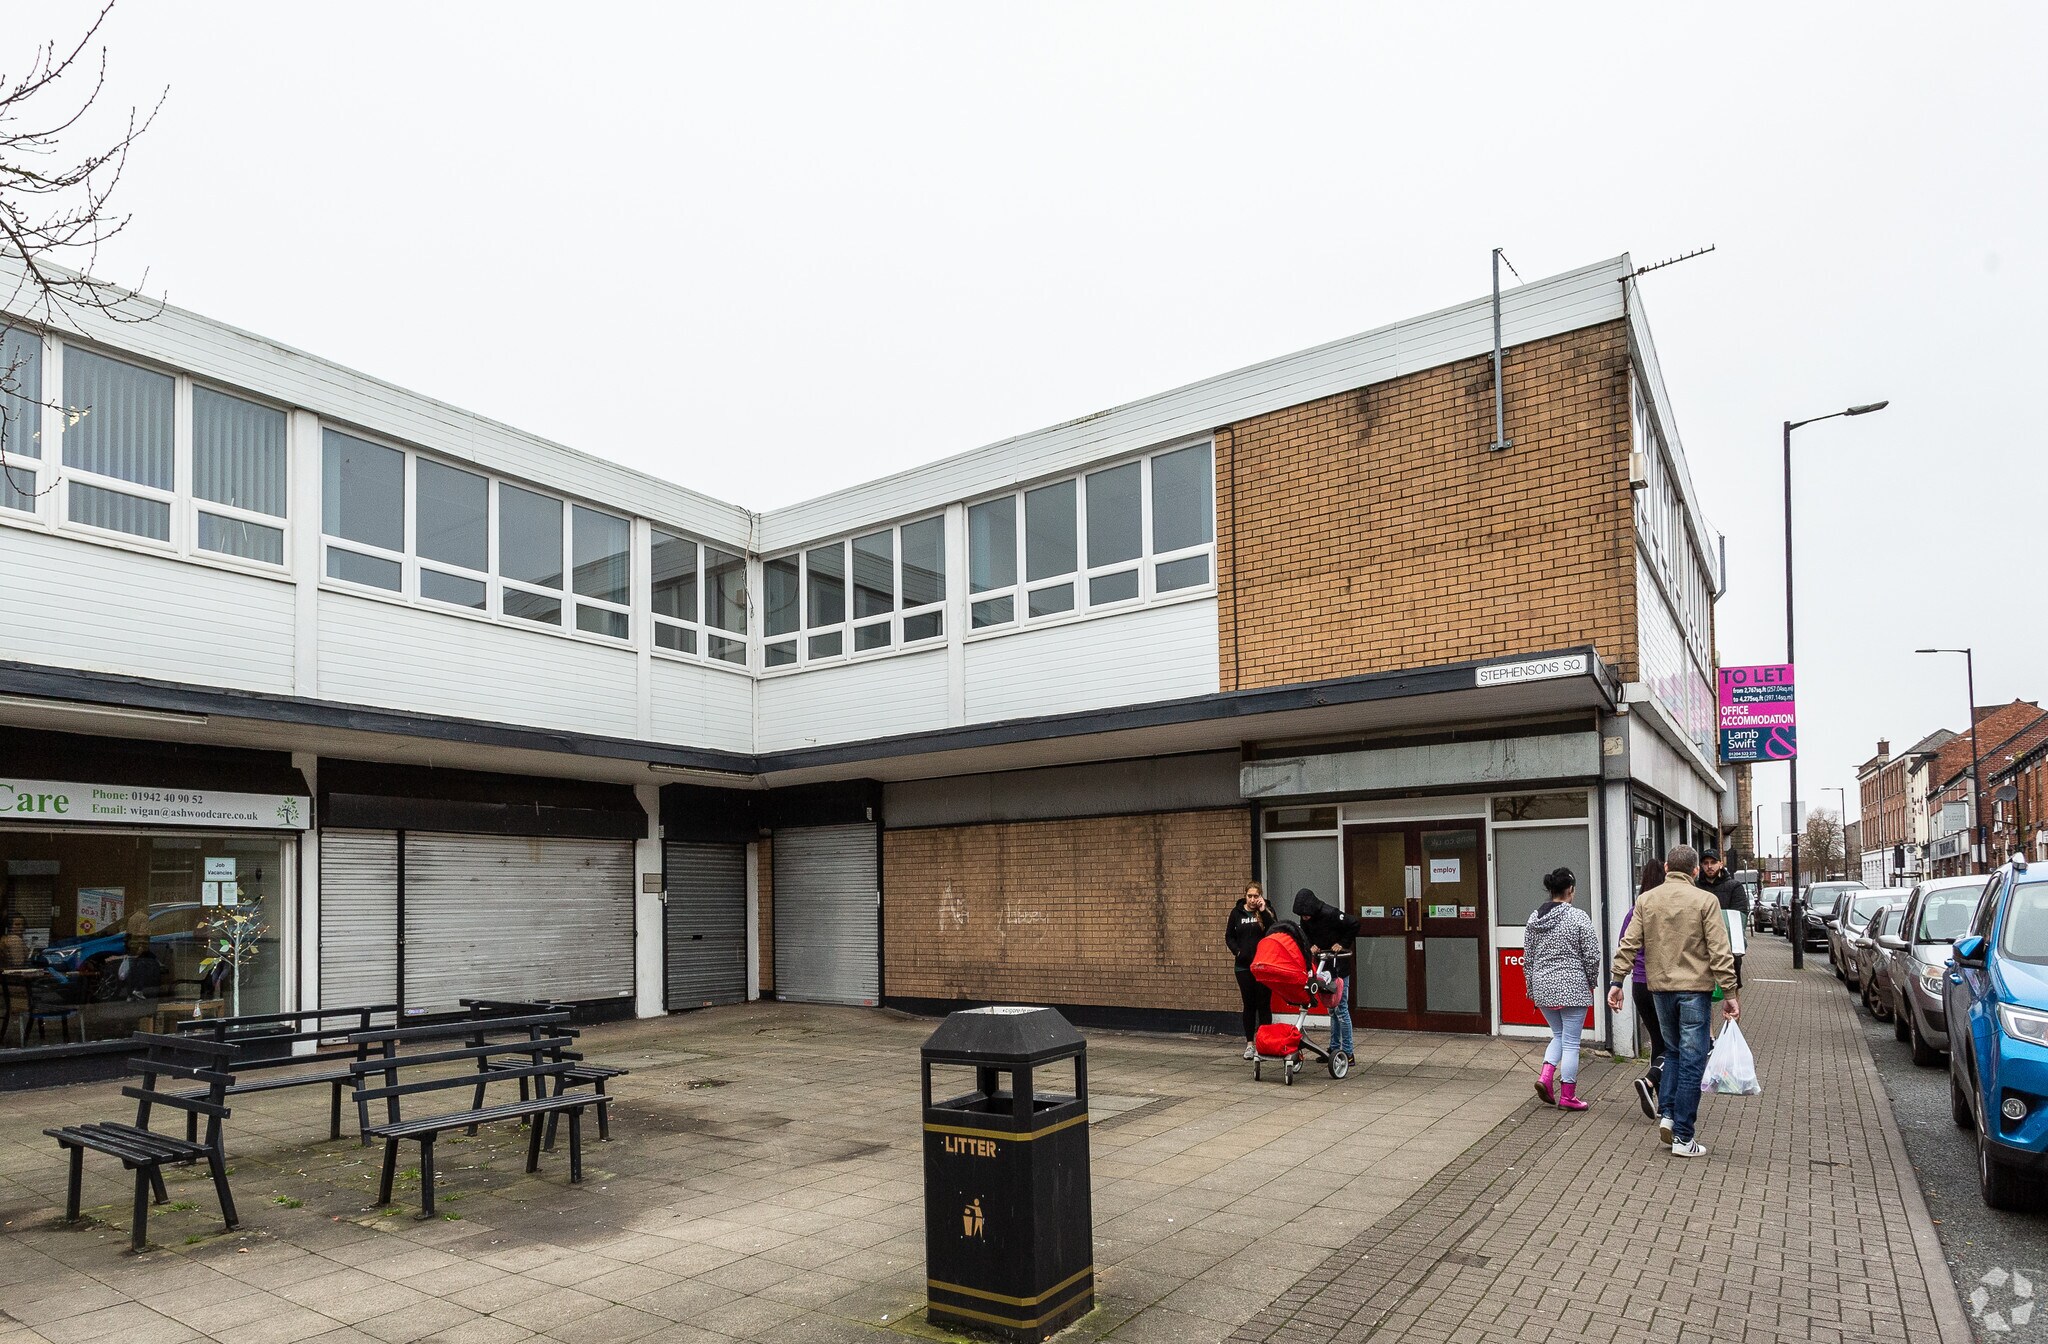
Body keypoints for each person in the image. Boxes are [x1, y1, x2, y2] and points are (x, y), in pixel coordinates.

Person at [1607, 844, 1739, 1159]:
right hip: (1695, 989)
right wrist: (1730, 994)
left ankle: (1667, 1114)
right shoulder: (1707, 901)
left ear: (1667, 868)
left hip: (1659, 989)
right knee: (1693, 1060)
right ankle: (1683, 1137)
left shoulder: (1646, 900)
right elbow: (1720, 951)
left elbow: (1629, 943)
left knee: (1673, 1053)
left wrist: (1617, 981)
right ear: (1694, 870)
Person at [1523, 867, 1601, 1111]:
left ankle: (1546, 1077)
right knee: (1571, 1043)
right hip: (1572, 987)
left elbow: (1529, 957)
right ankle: (1568, 1095)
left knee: (1558, 1035)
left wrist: (1531, 987)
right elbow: (1592, 955)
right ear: (1570, 890)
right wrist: (1591, 981)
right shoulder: (1579, 917)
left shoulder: (1534, 918)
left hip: (1543, 986)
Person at [1616, 860, 1670, 1121]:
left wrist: (1618, 983)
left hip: (1639, 984)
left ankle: (1659, 1101)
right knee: (1673, 1044)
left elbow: (1624, 945)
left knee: (1658, 1042)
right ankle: (1652, 1083)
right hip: (1664, 984)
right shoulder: (1667, 909)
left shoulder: (1634, 910)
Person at [1292, 889, 1360, 1066]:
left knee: (1341, 1008)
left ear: (1312, 910)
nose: (1304, 918)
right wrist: (1311, 946)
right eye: (1302, 916)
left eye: (1306, 915)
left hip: (1339, 966)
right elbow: (1305, 935)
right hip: (1324, 965)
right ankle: (1333, 1048)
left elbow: (1354, 924)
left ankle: (1348, 1052)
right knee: (1332, 1009)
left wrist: (1342, 944)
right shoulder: (1306, 918)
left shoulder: (1331, 913)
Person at [1225, 882, 1275, 1059]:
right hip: (1244, 967)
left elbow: (1274, 930)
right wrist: (1238, 951)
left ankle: (1265, 1044)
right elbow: (1229, 936)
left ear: (1260, 896)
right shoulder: (1237, 913)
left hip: (1264, 966)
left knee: (1264, 1004)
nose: (1253, 900)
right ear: (1245, 896)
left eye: (1256, 896)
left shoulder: (1266, 910)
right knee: (1249, 1004)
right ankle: (1249, 1045)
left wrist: (1263, 910)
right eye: (1250, 896)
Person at [1699, 848, 1749, 989]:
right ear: (1701, 866)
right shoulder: (1696, 887)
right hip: (1703, 948)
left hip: (1729, 946)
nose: (1709, 866)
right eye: (1706, 863)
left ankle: (1734, 1011)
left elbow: (1739, 915)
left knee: (1732, 987)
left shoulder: (1734, 886)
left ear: (1720, 864)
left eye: (1713, 862)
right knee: (1704, 991)